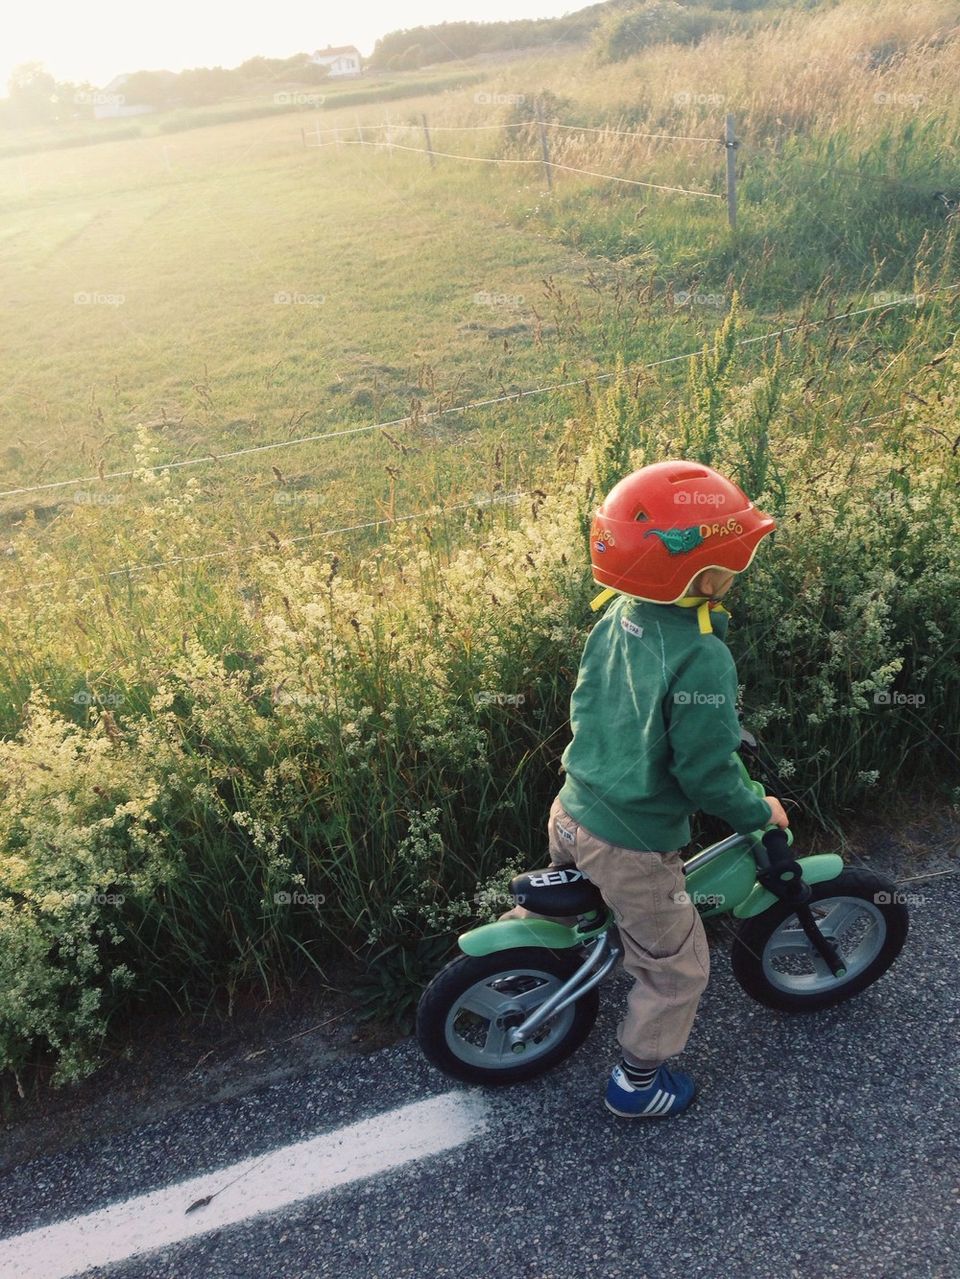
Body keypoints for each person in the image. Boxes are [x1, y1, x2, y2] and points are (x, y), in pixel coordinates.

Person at [503, 459, 788, 1118]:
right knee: (676, 965)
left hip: (572, 807)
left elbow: (587, 701)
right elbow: (707, 772)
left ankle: (529, 968)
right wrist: (756, 810)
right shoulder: (704, 654)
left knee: (573, 909)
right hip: (631, 845)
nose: (738, 572)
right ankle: (637, 1082)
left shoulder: (620, 616)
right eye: (733, 559)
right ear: (699, 573)